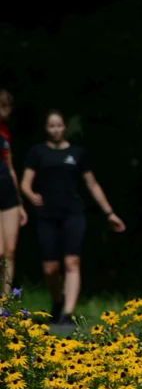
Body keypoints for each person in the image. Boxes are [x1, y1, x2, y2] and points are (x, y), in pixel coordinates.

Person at [20, 110, 125, 325]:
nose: (56, 129)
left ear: (65, 127)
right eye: (51, 126)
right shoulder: (37, 152)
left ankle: (67, 316)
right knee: (50, 269)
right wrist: (31, 195)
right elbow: (25, 183)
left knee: (72, 262)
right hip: (47, 215)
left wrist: (109, 213)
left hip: (73, 214)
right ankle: (58, 301)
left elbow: (92, 184)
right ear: (46, 128)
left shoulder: (78, 153)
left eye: (59, 125)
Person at [0, 90, 28, 294]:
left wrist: (20, 203)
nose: (6, 111)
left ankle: (5, 305)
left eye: (8, 107)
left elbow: (10, 166)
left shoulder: (5, 131)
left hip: (8, 190)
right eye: (3, 106)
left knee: (10, 251)